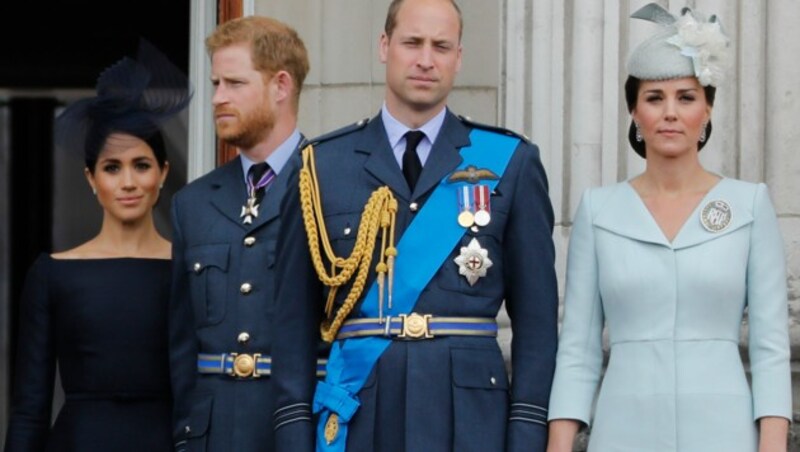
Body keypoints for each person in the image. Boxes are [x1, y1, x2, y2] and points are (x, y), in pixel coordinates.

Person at [271, 0, 559, 451]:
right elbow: (291, 326)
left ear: (459, 57)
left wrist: (526, 431)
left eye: (441, 46)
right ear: (385, 46)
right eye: (413, 43)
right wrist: (293, 434)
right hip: (358, 417)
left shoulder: (511, 163)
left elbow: (538, 323)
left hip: (469, 423)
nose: (426, 59)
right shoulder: (321, 167)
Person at [546, 4, 792, 452]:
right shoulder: (598, 210)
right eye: (654, 98)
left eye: (686, 96)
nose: (671, 112)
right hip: (623, 429)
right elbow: (578, 350)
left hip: (726, 432)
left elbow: (771, 348)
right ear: (635, 114)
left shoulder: (748, 205)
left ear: (708, 109)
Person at [4, 40, 191, 452]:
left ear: (162, 173)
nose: (128, 182)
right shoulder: (52, 273)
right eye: (112, 167)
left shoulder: (189, 269)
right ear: (92, 179)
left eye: (141, 165)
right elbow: (29, 409)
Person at [167, 15, 317, 452]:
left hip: (300, 430)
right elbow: (182, 350)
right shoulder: (192, 204)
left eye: (234, 83)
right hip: (212, 436)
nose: (217, 98)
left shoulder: (333, 185)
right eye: (216, 84)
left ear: (281, 85)